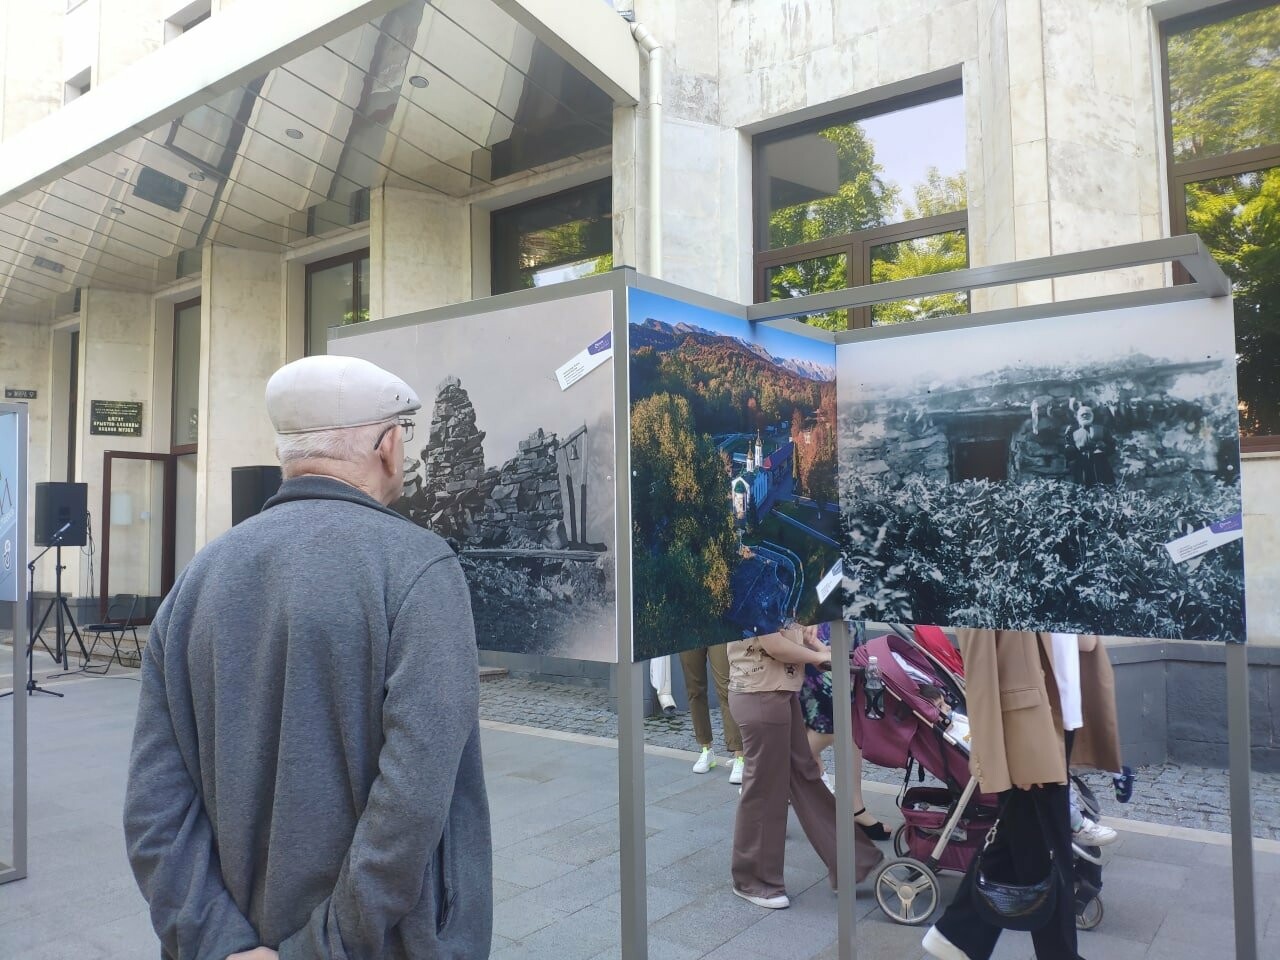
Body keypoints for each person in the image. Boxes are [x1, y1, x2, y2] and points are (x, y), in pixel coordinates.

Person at [123, 355, 492, 960]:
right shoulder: (418, 567)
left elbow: (154, 809)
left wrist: (219, 943)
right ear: (389, 446)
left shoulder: (198, 578)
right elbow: (412, 802)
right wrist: (324, 947)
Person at [922, 629, 1120, 960]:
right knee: (1045, 843)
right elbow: (983, 658)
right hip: (1031, 723)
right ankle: (961, 934)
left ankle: (958, 934)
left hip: (1062, 712)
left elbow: (1081, 641)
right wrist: (1014, 740)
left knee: (1029, 839)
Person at [729, 621, 884, 910]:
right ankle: (753, 879)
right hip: (759, 690)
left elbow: (780, 627)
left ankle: (850, 860)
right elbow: (772, 643)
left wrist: (803, 631)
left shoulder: (774, 578)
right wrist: (819, 656)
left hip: (779, 690)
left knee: (805, 774)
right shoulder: (752, 578)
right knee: (765, 789)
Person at [798, 621, 891, 840]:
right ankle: (775, 779)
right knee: (833, 724)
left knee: (851, 724)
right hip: (820, 629)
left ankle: (854, 806)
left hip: (847, 627)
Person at [680, 643, 745, 782]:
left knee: (726, 687)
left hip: (716, 626)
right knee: (694, 689)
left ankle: (740, 756)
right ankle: (706, 749)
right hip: (688, 626)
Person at [1063, 404, 1115, 486]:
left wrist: (1104, 446)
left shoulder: (1102, 429)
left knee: (1104, 485)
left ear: (1092, 416)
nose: (1085, 416)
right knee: (1084, 487)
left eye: (1087, 414)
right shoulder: (1074, 433)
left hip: (1100, 462)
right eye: (1082, 415)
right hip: (1082, 463)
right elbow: (1069, 454)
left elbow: (1112, 447)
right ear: (1078, 418)